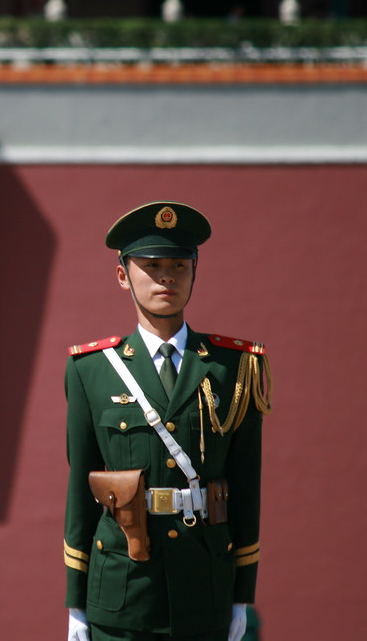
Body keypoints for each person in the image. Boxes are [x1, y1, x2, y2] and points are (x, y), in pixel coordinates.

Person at [63, 202, 271, 641]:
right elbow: (81, 489)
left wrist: (240, 596)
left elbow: (245, 486)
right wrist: (76, 602)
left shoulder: (234, 368)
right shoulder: (91, 371)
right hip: (122, 592)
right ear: (124, 276)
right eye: (151, 265)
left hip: (205, 590)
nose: (166, 277)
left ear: (195, 272)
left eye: (179, 265)